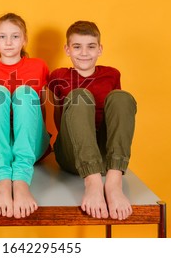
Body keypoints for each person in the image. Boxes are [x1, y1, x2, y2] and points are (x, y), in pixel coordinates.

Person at [48, 20, 137, 220]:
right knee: (80, 96)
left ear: (100, 49)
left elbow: (118, 116)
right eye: (77, 47)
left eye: (91, 46)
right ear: (67, 49)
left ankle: (114, 182)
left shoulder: (111, 74)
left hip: (106, 153)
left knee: (122, 97)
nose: (84, 53)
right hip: (73, 153)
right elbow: (58, 115)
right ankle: (93, 182)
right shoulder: (58, 76)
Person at [0, 13, 50, 219]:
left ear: (24, 39)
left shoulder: (38, 66)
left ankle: (22, 181)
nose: (8, 42)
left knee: (25, 94)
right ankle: (3, 181)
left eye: (15, 37)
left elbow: (40, 110)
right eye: (2, 37)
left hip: (31, 142)